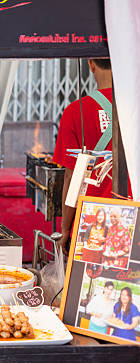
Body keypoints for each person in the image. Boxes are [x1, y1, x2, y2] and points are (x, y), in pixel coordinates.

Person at [53, 59, 114, 254]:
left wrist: (65, 230)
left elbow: (72, 178)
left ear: (91, 64)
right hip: (132, 217)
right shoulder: (134, 109)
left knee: (90, 284)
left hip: (89, 224)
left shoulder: (74, 112)